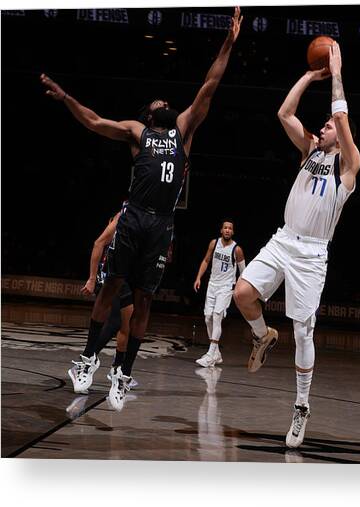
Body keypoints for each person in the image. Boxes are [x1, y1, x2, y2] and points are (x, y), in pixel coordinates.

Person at [40, 7, 243, 411]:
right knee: (112, 286)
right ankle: (87, 359)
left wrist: (227, 43)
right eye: (157, 102)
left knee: (146, 300)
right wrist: (66, 99)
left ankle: (123, 372)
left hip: (162, 223)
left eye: (166, 101)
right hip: (134, 216)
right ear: (149, 115)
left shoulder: (184, 127)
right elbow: (95, 122)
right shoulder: (138, 133)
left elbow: (211, 83)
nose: (164, 102)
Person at [233, 42, 360, 448]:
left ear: (338, 135)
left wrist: (337, 74)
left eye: (326, 127)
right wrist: (311, 75)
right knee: (242, 293)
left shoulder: (348, 165)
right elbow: (284, 113)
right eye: (322, 127)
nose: (321, 128)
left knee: (304, 333)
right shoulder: (310, 150)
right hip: (283, 239)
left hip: (311, 254)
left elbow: (341, 118)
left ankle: (301, 406)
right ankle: (261, 334)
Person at [72, 205, 138, 390]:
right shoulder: (122, 218)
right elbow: (98, 244)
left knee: (126, 324)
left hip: (127, 279)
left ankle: (117, 368)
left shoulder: (144, 226)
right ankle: (86, 360)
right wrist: (92, 279)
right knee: (115, 321)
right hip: (110, 278)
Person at [193, 220, 246, 367]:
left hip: (226, 286)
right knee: (207, 318)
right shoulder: (213, 243)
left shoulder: (237, 249)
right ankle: (216, 353)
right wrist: (198, 278)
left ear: (232, 232)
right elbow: (205, 260)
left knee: (217, 316)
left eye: (230, 228)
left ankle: (210, 354)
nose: (228, 230)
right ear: (221, 230)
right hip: (212, 285)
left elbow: (244, 272)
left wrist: (238, 288)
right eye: (225, 228)